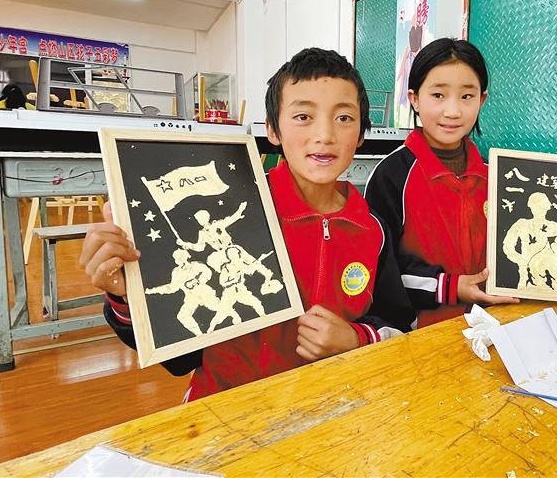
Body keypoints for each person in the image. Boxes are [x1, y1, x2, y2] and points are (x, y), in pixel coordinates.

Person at [80, 47, 415, 401]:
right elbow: (180, 359)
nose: (325, 134)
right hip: (225, 405)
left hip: (331, 404)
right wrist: (126, 297)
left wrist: (356, 339)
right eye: (303, 116)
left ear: (361, 133)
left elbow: (397, 322)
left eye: (344, 118)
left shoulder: (372, 229)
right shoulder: (237, 207)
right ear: (272, 129)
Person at [364, 38, 557, 327]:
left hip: (498, 323)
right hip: (424, 332)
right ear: (414, 99)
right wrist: (450, 286)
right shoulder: (391, 176)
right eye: (438, 95)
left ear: (482, 99)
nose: (453, 111)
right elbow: (379, 268)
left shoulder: (501, 177)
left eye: (467, 96)